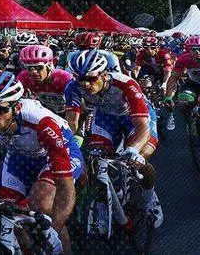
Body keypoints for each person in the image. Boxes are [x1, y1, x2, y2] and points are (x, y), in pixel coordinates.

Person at [0, 71, 81, 254]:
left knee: (41, 205)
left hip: (56, 153)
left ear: (16, 107)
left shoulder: (41, 122)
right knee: (11, 216)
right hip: (19, 155)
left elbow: (64, 184)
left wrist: (54, 229)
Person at [64, 49, 162, 227]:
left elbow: (142, 125)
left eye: (91, 78)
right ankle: (104, 199)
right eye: (80, 79)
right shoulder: (72, 87)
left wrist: (133, 150)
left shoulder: (125, 84)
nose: (85, 84)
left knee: (140, 158)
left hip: (135, 118)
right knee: (97, 159)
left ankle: (149, 196)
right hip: (106, 118)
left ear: (104, 74)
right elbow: (72, 122)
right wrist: (65, 146)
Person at [15, 44, 73, 116]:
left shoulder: (64, 78)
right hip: (43, 113)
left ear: (49, 65)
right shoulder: (24, 77)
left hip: (66, 112)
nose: (34, 72)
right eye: (29, 68)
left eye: (38, 67)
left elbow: (74, 110)